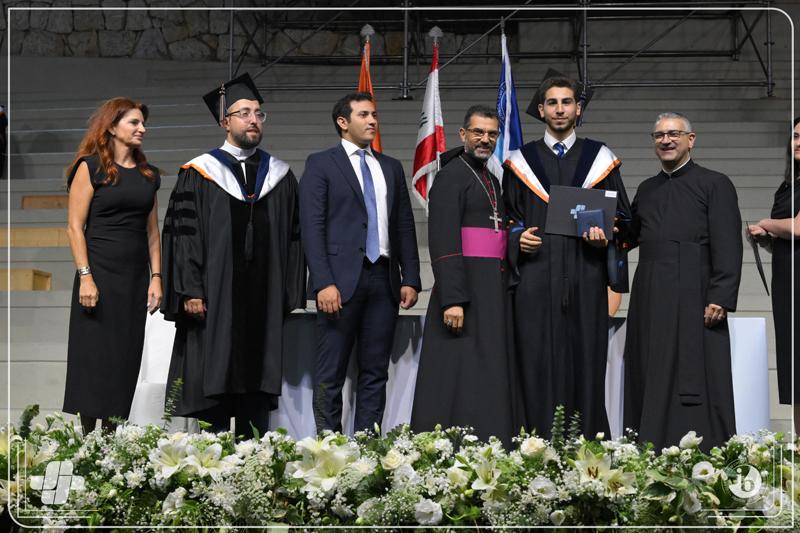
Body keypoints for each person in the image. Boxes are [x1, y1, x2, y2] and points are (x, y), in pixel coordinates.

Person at [160, 73, 306, 436]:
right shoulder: (199, 173)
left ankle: (254, 454)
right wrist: (191, 289)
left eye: (258, 113)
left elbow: (294, 237)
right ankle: (214, 453)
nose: (254, 120)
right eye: (244, 113)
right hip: (213, 298)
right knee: (215, 376)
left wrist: (288, 292)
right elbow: (184, 236)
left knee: (257, 391)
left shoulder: (280, 176)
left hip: (263, 301)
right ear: (225, 122)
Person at [502, 74, 631, 439]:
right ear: (541, 110)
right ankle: (533, 444)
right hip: (535, 277)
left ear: (578, 109)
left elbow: (624, 220)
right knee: (533, 358)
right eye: (552, 103)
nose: (560, 109)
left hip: (585, 275)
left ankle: (588, 440)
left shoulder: (600, 159)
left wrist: (605, 237)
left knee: (585, 358)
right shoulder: (520, 162)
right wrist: (518, 239)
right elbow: (505, 218)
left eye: (567, 102)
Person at [300, 92, 421, 434]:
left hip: (384, 280)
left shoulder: (391, 167)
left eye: (374, 115)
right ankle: (329, 446)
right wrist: (323, 282)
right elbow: (312, 227)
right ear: (343, 122)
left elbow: (404, 225)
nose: (372, 121)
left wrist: (411, 276)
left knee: (375, 371)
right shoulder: (321, 164)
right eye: (364, 115)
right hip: (339, 283)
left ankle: (367, 445)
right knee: (331, 372)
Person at [623, 112, 742, 451]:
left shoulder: (715, 183)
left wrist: (720, 295)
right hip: (650, 293)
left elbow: (728, 244)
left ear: (691, 140)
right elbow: (629, 237)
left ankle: (705, 451)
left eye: (674, 134)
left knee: (697, 372)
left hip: (696, 293)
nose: (666, 140)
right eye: (659, 135)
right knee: (650, 366)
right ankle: (650, 445)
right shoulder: (646, 189)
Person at [410, 106, 518, 444]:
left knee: (484, 367)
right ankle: (448, 441)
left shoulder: (490, 177)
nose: (485, 139)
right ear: (463, 134)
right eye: (478, 132)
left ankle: (486, 437)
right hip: (464, 288)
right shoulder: (451, 176)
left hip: (491, 286)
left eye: (491, 134)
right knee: (457, 368)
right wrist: (453, 299)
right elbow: (443, 240)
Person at [63, 97, 162, 432]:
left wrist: (156, 277)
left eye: (143, 123)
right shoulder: (90, 167)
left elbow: (152, 232)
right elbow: (75, 227)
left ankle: (110, 439)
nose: (142, 128)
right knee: (94, 358)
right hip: (98, 275)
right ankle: (88, 441)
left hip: (134, 279)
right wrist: (85, 276)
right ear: (112, 127)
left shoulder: (149, 175)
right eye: (134, 122)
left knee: (124, 359)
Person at [748, 117, 800, 433]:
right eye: (795, 136)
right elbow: (786, 239)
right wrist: (766, 238)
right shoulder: (788, 186)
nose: (798, 142)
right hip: (788, 284)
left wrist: (767, 223)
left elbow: (798, 227)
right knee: (795, 374)